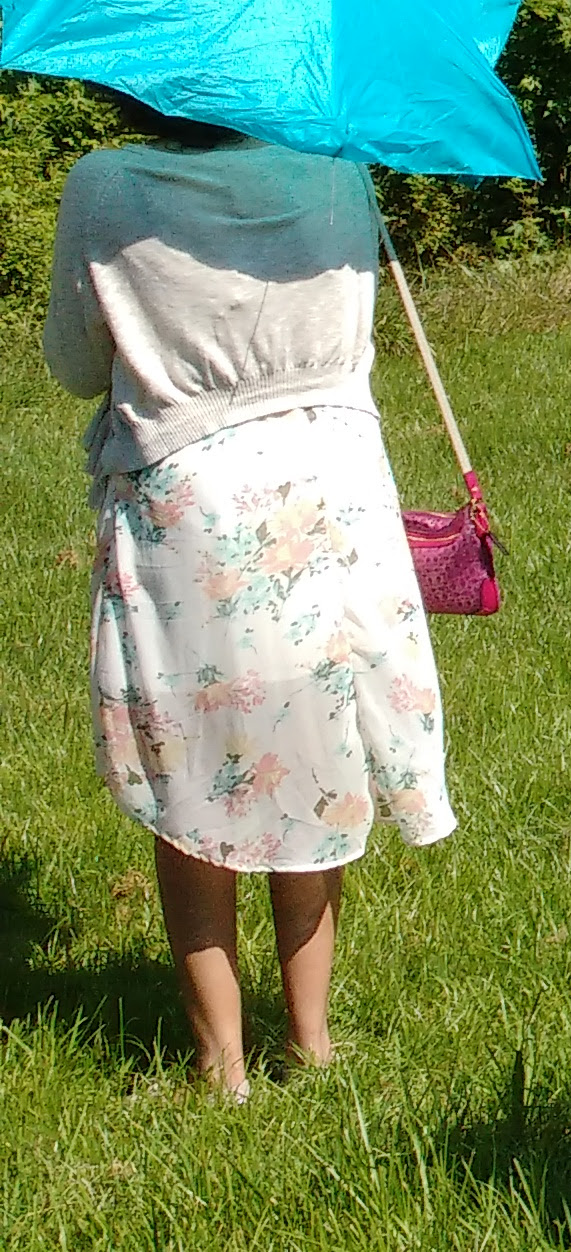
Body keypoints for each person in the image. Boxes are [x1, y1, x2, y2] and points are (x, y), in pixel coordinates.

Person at [41, 97, 456, 1097]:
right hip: (332, 490)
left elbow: (73, 362)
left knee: (197, 768)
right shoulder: (339, 169)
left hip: (196, 507)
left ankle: (220, 1066)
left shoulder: (106, 185)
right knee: (317, 751)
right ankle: (310, 1041)